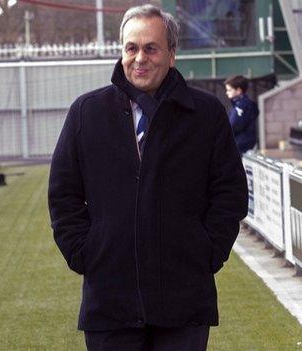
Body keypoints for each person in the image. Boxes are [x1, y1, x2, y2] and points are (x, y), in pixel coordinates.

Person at [48, 4, 248, 350]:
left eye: (151, 48)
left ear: (172, 54)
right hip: (109, 301)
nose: (139, 58)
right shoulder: (87, 112)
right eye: (131, 48)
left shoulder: (206, 114)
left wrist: (207, 251)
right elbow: (63, 194)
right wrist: (87, 252)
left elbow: (229, 193)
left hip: (184, 302)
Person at [225, 75, 259, 153]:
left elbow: (232, 125)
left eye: (229, 90)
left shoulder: (242, 106)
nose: (227, 93)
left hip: (241, 146)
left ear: (239, 90)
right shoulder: (237, 105)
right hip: (240, 145)